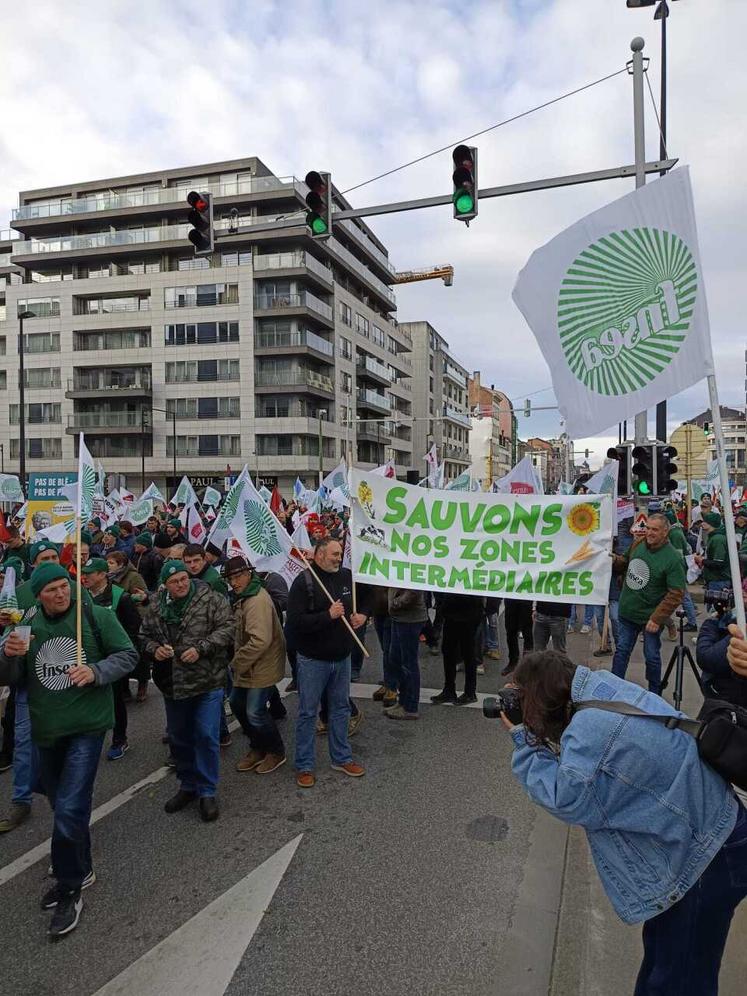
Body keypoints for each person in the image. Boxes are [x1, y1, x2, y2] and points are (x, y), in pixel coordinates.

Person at [502, 650, 746, 996]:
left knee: (681, 978)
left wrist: (524, 740)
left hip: (706, 857)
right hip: (714, 832)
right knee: (665, 959)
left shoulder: (590, 731)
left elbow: (566, 797)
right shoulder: (597, 687)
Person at [0, 563, 137, 937]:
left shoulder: (95, 615)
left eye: (65, 587)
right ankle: (83, 867)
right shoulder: (26, 626)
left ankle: (70, 885)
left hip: (87, 727)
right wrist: (9, 655)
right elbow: (10, 679)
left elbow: (127, 655)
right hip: (48, 730)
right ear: (38, 595)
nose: (61, 594)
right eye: (52, 590)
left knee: (71, 808)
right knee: (62, 805)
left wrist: (96, 672)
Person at [140, 560, 234, 821]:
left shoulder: (211, 599)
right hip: (173, 684)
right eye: (174, 581)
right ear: (166, 585)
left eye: (184, 578)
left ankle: (207, 790)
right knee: (180, 737)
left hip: (207, 680)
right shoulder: (157, 605)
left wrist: (202, 648)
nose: (180, 584)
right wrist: (153, 650)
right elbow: (143, 636)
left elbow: (228, 628)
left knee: (205, 735)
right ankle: (188, 785)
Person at [286, 536, 367, 787]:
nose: (338, 557)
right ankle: (304, 765)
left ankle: (341, 758)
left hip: (341, 658)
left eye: (340, 553)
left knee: (341, 709)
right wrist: (327, 616)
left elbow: (366, 596)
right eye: (334, 553)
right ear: (319, 555)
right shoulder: (304, 582)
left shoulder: (346, 576)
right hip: (313, 661)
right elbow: (295, 625)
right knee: (308, 713)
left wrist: (363, 614)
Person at [0, 541, 62, 834]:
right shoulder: (19, 593)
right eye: (43, 558)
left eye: (53, 557)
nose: (49, 562)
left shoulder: (71, 589)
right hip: (29, 683)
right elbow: (8, 636)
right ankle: (20, 799)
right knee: (25, 743)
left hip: (63, 682)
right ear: (33, 563)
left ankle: (66, 802)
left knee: (65, 744)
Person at [223, 557, 287, 774]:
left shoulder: (256, 600)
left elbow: (260, 640)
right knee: (237, 703)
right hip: (251, 664)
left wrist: (237, 662)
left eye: (238, 576)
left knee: (255, 712)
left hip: (261, 664)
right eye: (231, 578)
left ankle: (275, 751)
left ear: (249, 574)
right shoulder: (245, 596)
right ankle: (258, 746)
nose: (234, 582)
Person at [611, 512, 685, 694]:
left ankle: (654, 694)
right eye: (648, 528)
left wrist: (657, 618)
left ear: (665, 532)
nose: (649, 533)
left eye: (655, 529)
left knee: (651, 656)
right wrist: (610, 559)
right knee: (621, 651)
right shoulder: (637, 543)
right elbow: (623, 562)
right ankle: (612, 688)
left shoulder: (673, 558)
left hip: (650, 618)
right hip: (627, 612)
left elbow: (676, 593)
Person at [80, 557, 143, 760]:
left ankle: (119, 739)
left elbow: (134, 628)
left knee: (115, 700)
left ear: (101, 574)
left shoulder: (120, 597)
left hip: (113, 659)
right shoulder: (82, 596)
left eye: (89, 573)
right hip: (89, 658)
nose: (85, 577)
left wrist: (125, 653)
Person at [431, 592, 485, 704]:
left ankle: (470, 692)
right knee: (448, 651)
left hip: (469, 612)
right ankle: (449, 690)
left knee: (468, 653)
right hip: (451, 610)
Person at [386, 587, 427, 719]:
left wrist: (395, 603)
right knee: (396, 660)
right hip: (399, 616)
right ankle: (403, 701)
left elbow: (415, 590)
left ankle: (410, 707)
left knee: (409, 664)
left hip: (410, 619)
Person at [696, 604, 747, 707]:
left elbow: (707, 658)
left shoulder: (740, 626)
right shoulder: (729, 615)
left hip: (730, 704)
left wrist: (711, 622)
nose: (743, 591)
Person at [664, 508, 698, 631]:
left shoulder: (675, 534)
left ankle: (692, 621)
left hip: (677, 569)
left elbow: (677, 555)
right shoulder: (676, 532)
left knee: (683, 596)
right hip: (678, 568)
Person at [696, 512, 733, 598]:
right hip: (714, 579)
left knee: (716, 609)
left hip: (718, 580)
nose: (702, 523)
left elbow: (719, 563)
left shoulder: (718, 539)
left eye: (705, 521)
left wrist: (702, 560)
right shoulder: (713, 537)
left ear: (711, 523)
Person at [502, 596, 533, 677]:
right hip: (511, 598)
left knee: (528, 633)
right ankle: (512, 662)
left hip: (526, 598)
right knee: (510, 631)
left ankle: (526, 665)